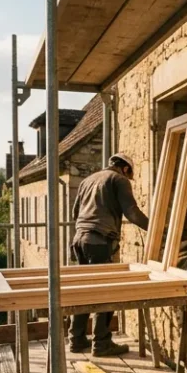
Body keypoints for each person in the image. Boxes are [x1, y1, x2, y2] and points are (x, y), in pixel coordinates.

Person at [68, 152, 149, 356]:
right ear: (125, 168)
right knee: (105, 291)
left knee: (84, 290)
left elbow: (74, 213)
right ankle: (102, 343)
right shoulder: (118, 179)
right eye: (130, 174)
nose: (129, 178)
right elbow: (132, 213)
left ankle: (76, 339)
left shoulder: (88, 179)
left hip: (79, 239)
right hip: (99, 242)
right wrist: (159, 229)